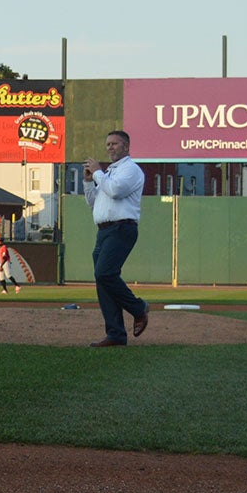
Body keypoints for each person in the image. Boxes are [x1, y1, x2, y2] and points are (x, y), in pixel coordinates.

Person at [81, 129, 148, 346]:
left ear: (126, 146)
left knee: (104, 273)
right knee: (103, 281)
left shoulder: (131, 169)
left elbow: (116, 191)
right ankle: (116, 334)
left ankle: (138, 308)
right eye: (108, 144)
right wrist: (89, 182)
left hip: (122, 228)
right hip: (104, 231)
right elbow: (94, 203)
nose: (110, 147)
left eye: (115, 143)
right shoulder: (108, 173)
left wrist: (98, 173)